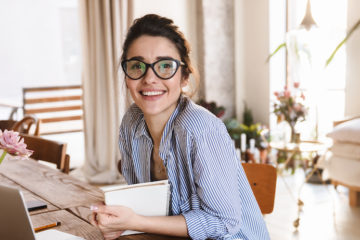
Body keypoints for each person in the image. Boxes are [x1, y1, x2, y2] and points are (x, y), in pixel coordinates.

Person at [90, 14, 270, 240]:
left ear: (184, 77)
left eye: (165, 66)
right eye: (137, 66)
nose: (149, 78)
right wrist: (121, 221)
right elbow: (146, 206)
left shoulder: (201, 128)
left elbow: (224, 224)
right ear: (127, 75)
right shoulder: (131, 123)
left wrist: (136, 221)